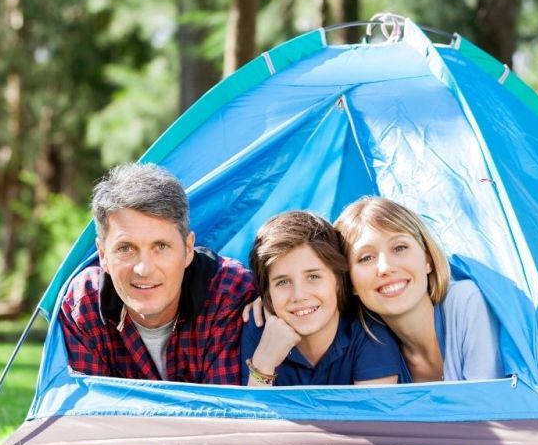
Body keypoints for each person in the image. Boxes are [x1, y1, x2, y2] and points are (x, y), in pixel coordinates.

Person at [59, 163, 256, 383]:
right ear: (103, 255)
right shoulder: (84, 302)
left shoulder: (230, 292)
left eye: (161, 246)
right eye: (126, 248)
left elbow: (227, 412)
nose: (144, 269)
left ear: (188, 249)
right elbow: (85, 413)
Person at [333, 197, 504, 383]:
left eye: (399, 247)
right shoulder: (367, 350)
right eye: (366, 258)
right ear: (350, 284)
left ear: (428, 260)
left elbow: (488, 406)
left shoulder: (466, 301)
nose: (385, 267)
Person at [241, 211, 404, 387]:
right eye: (282, 282)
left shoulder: (369, 330)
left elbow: (372, 413)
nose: (299, 295)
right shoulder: (259, 329)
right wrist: (264, 363)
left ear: (339, 282)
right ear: (268, 292)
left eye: (313, 277)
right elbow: (256, 413)